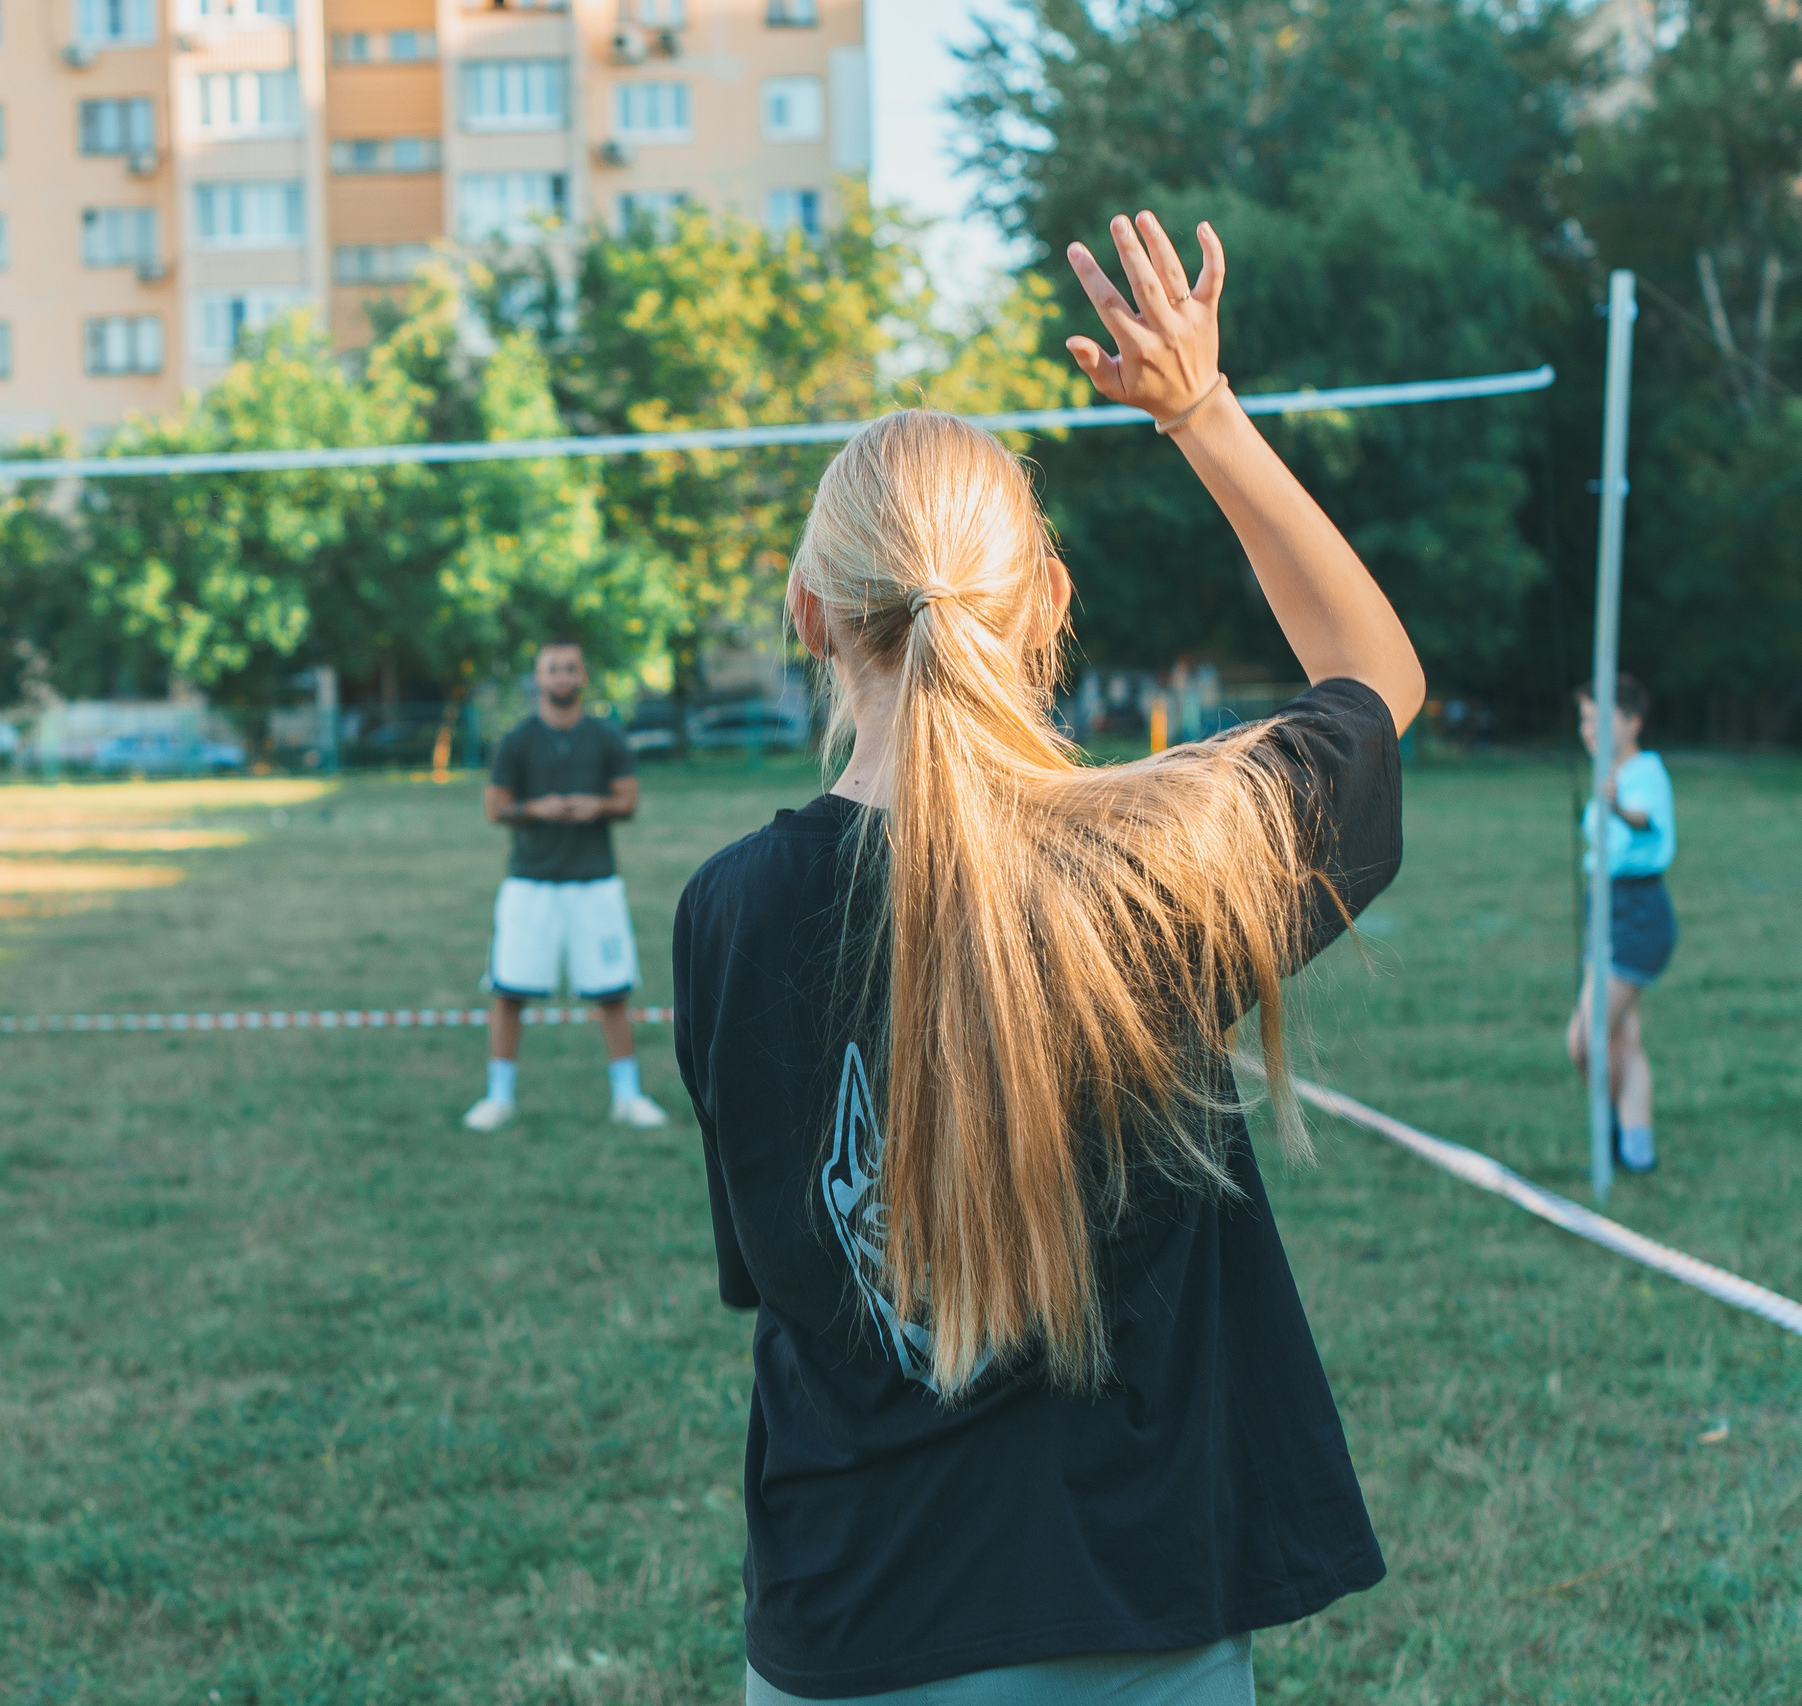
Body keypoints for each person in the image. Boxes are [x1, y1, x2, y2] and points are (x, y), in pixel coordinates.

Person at [673, 212, 1425, 1702]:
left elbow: (786, 1273)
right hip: (1138, 1628)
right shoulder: (1163, 859)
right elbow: (1376, 681)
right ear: (1050, 612)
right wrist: (1200, 412)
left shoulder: (727, 909)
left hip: (850, 1632)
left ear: (808, 613)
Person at [463, 640, 671, 1132]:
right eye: (552, 668)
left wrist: (595, 806)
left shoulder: (605, 737)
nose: (561, 676)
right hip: (529, 884)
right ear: (538, 678)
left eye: (570, 668)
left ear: (582, 677)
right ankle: (499, 1098)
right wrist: (537, 809)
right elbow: (495, 806)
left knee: (612, 992)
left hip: (594, 883)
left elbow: (629, 800)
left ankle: (628, 1096)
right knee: (509, 992)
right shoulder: (515, 741)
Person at [1568, 673, 1675, 1174]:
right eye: (1584, 719)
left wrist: (1614, 804)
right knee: (1621, 1038)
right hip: (1604, 908)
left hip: (1636, 912)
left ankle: (1608, 1123)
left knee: (1586, 1039)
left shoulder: (1645, 771)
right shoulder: (1606, 772)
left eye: (1600, 719)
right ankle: (1638, 1149)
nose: (1589, 730)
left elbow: (1643, 818)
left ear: (1632, 721)